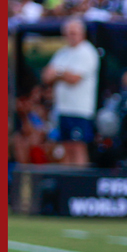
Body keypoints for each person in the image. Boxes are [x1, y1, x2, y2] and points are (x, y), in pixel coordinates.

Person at [41, 17, 100, 166]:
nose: (70, 36)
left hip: (79, 109)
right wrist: (63, 74)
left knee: (78, 146)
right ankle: (67, 178)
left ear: (82, 33)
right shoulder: (62, 53)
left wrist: (58, 73)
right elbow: (46, 76)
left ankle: (79, 178)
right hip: (62, 108)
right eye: (68, 33)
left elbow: (74, 79)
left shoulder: (87, 52)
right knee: (65, 146)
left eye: (74, 33)